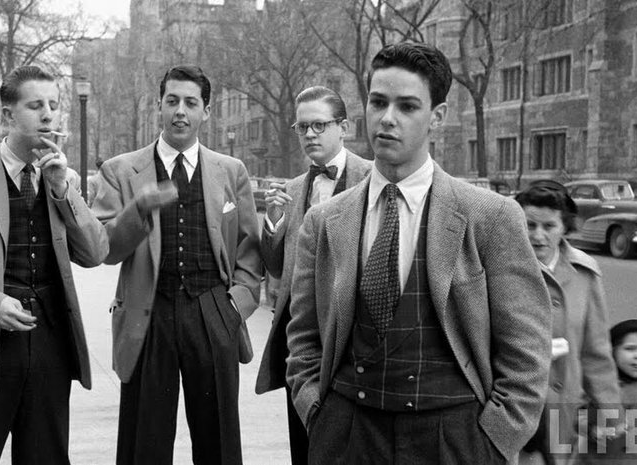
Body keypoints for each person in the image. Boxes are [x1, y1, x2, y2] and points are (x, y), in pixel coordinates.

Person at [285, 41, 552, 464]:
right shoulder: (325, 221)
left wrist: (495, 439)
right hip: (347, 435)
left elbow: (526, 350)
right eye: (378, 102)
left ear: (437, 117)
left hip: (455, 439)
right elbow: (303, 336)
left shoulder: (491, 217)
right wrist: (317, 412)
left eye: (407, 106)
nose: (387, 119)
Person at [91, 65, 262, 465]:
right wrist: (139, 209)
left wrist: (236, 305)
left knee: (218, 437)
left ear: (207, 111)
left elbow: (249, 247)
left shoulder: (230, 170)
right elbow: (105, 249)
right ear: (159, 106)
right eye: (172, 101)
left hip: (212, 310)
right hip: (148, 314)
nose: (180, 111)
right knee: (144, 439)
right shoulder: (121, 170)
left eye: (190, 102)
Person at [0, 65, 109, 465]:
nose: (48, 115)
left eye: (53, 105)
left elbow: (95, 252)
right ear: (7, 115)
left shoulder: (61, 180)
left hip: (49, 345)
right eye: (35, 105)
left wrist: (63, 190)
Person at [255, 86, 372, 464]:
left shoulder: (373, 179)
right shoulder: (291, 189)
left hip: (353, 334)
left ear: (344, 128)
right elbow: (275, 269)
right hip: (302, 337)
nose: (309, 135)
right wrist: (273, 223)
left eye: (319, 125)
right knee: (303, 443)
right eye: (302, 127)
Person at [515, 180, 623, 465]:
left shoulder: (585, 272)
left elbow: (596, 351)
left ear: (565, 227)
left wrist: (609, 413)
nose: (538, 236)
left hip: (564, 409)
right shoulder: (500, 266)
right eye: (529, 225)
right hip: (514, 409)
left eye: (549, 226)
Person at [577, 319, 637, 465]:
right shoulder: (598, 387)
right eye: (630, 348)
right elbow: (575, 416)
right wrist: (593, 431)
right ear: (612, 351)